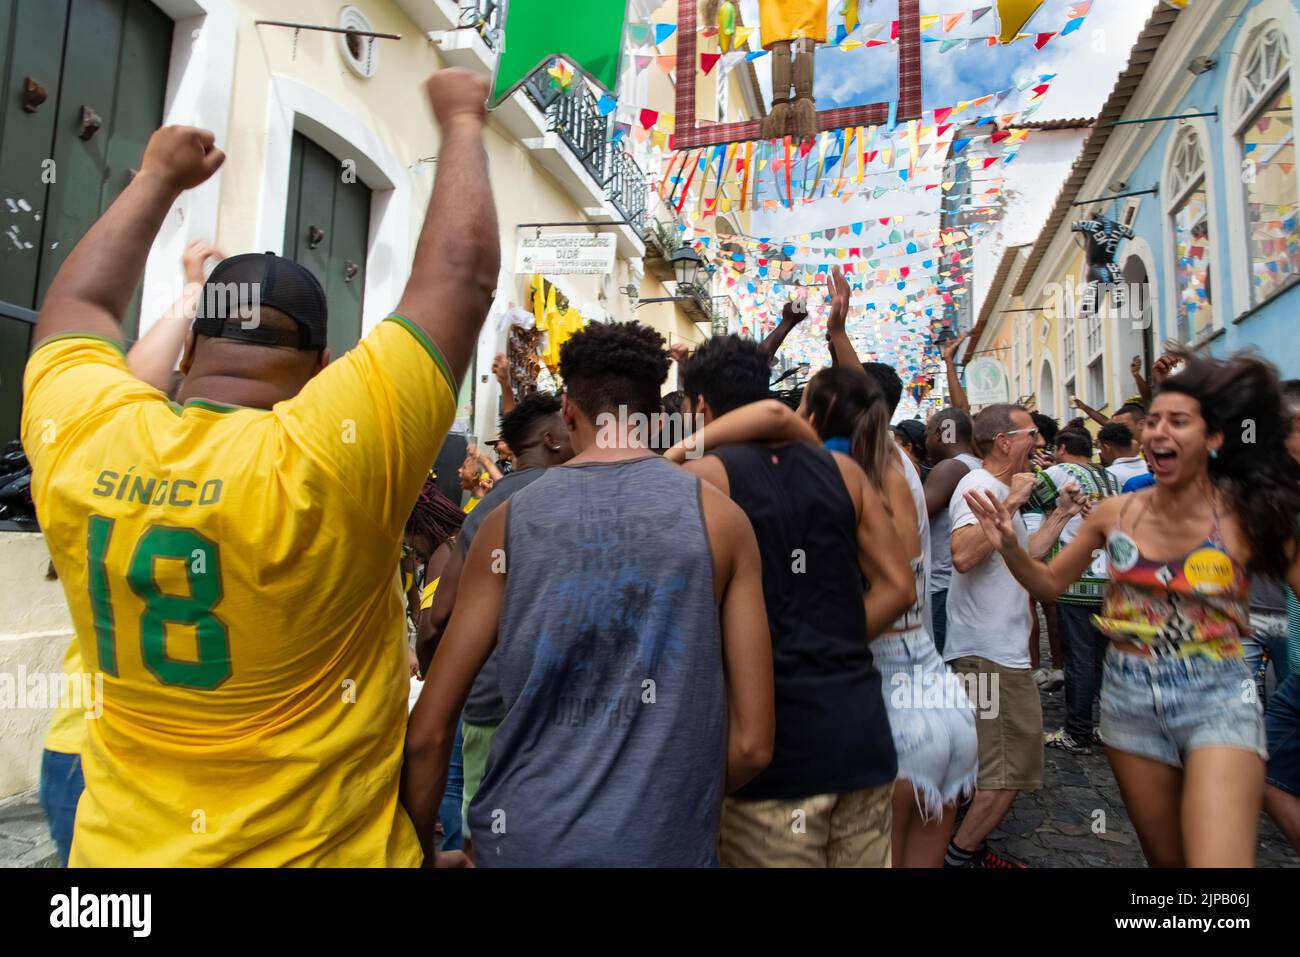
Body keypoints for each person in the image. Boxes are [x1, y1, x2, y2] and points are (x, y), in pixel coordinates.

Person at [21, 69, 500, 866]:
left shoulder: (87, 435)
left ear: (192, 343)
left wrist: (157, 178)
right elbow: (459, 281)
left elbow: (77, 311)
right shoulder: (334, 450)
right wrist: (460, 118)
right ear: (320, 364)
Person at [403, 321, 776, 867]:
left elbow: (430, 730)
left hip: (522, 842)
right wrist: (663, 808)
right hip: (663, 848)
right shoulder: (722, 520)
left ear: (570, 413)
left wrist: (420, 854)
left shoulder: (507, 524)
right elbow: (752, 745)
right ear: (655, 416)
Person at [964, 350, 1300, 866]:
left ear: (1213, 439)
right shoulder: (1115, 512)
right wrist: (1008, 543)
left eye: (1179, 421)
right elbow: (1050, 586)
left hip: (1218, 691)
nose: (1158, 432)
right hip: (1128, 696)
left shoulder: (1249, 512)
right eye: (1154, 421)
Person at [675, 333, 915, 867]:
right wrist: (828, 638)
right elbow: (899, 588)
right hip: (861, 739)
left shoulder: (699, 478)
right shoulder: (844, 471)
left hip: (770, 763)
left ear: (699, 406)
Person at [37, 239, 222, 866]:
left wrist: (195, 290)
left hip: (99, 750)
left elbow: (127, 384)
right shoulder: (254, 473)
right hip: (117, 754)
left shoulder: (102, 469)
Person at [414, 391, 574, 858]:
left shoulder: (489, 506)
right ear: (552, 441)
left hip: (484, 698)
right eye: (570, 427)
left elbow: (436, 618)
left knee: (479, 826)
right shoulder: (557, 495)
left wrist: (439, 680)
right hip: (543, 699)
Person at [943, 404, 1082, 868]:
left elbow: (1023, 558)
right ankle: (958, 858)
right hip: (988, 654)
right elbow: (963, 556)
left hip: (998, 653)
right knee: (1009, 770)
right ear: (1004, 440)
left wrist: (1060, 516)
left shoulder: (998, 489)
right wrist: (1013, 502)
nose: (1041, 442)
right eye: (1031, 435)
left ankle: (966, 850)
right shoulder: (979, 487)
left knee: (993, 765)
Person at [1025, 428, 1122, 754]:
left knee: (1077, 658)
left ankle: (1077, 732)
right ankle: (1104, 727)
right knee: (1100, 658)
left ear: (1062, 448)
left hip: (1074, 575)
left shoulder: (1059, 473)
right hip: (1108, 577)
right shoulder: (1110, 477)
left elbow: (1028, 498)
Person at [402, 479, 467, 850]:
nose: (415, 551)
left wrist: (427, 670)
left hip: (458, 684)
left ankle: (448, 849)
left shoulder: (446, 550)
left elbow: (428, 627)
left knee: (452, 781)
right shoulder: (476, 534)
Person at [924, 408, 981, 656]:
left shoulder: (951, 468)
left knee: (940, 664)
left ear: (941, 433)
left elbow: (915, 513)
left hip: (942, 584)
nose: (925, 441)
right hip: (959, 583)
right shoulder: (978, 465)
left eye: (927, 433)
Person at [1099, 422, 1148, 486]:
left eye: (1101, 449)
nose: (1101, 454)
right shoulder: (1150, 466)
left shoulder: (1107, 476)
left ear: (1107, 448)